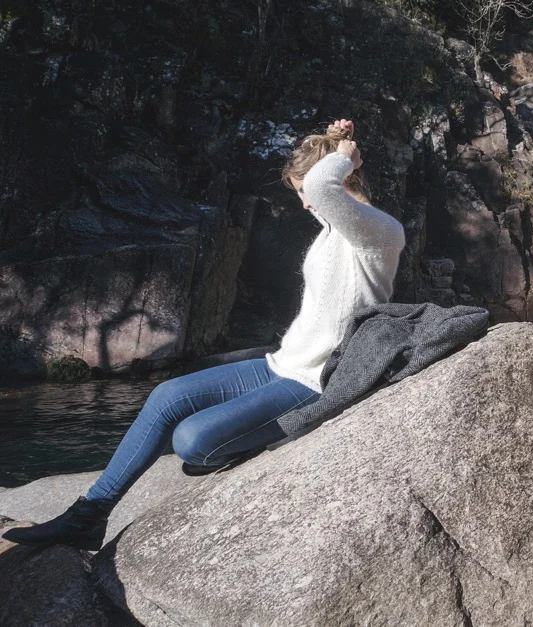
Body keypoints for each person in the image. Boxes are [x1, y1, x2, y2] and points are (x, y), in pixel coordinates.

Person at [3, 118, 406, 550]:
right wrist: (337, 151)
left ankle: (237, 441)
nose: (305, 204)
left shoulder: (379, 234)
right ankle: (88, 515)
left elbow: (325, 189)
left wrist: (344, 157)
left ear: (338, 177)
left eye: (303, 191)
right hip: (281, 365)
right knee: (166, 397)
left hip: (316, 382)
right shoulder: (333, 231)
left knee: (191, 441)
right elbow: (325, 194)